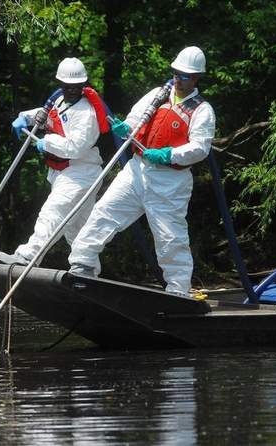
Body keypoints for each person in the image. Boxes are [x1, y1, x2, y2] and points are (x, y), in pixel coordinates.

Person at [67, 46, 216, 297]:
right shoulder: (159, 94)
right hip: (137, 170)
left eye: (185, 76)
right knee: (104, 212)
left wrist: (168, 154)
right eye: (176, 73)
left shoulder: (202, 110)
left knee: (170, 237)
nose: (179, 79)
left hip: (170, 180)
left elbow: (200, 148)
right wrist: (127, 127)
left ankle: (178, 291)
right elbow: (137, 118)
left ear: (197, 78)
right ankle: (82, 264)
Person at [0, 57, 105, 266]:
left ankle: (28, 256)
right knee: (77, 226)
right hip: (63, 172)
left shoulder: (86, 112)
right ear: (61, 84)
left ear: (83, 85)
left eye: (77, 86)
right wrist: (24, 118)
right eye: (67, 86)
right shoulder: (59, 101)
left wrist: (47, 142)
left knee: (53, 211)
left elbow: (76, 147)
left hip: (81, 172)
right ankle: (87, 268)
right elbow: (46, 114)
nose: (72, 90)